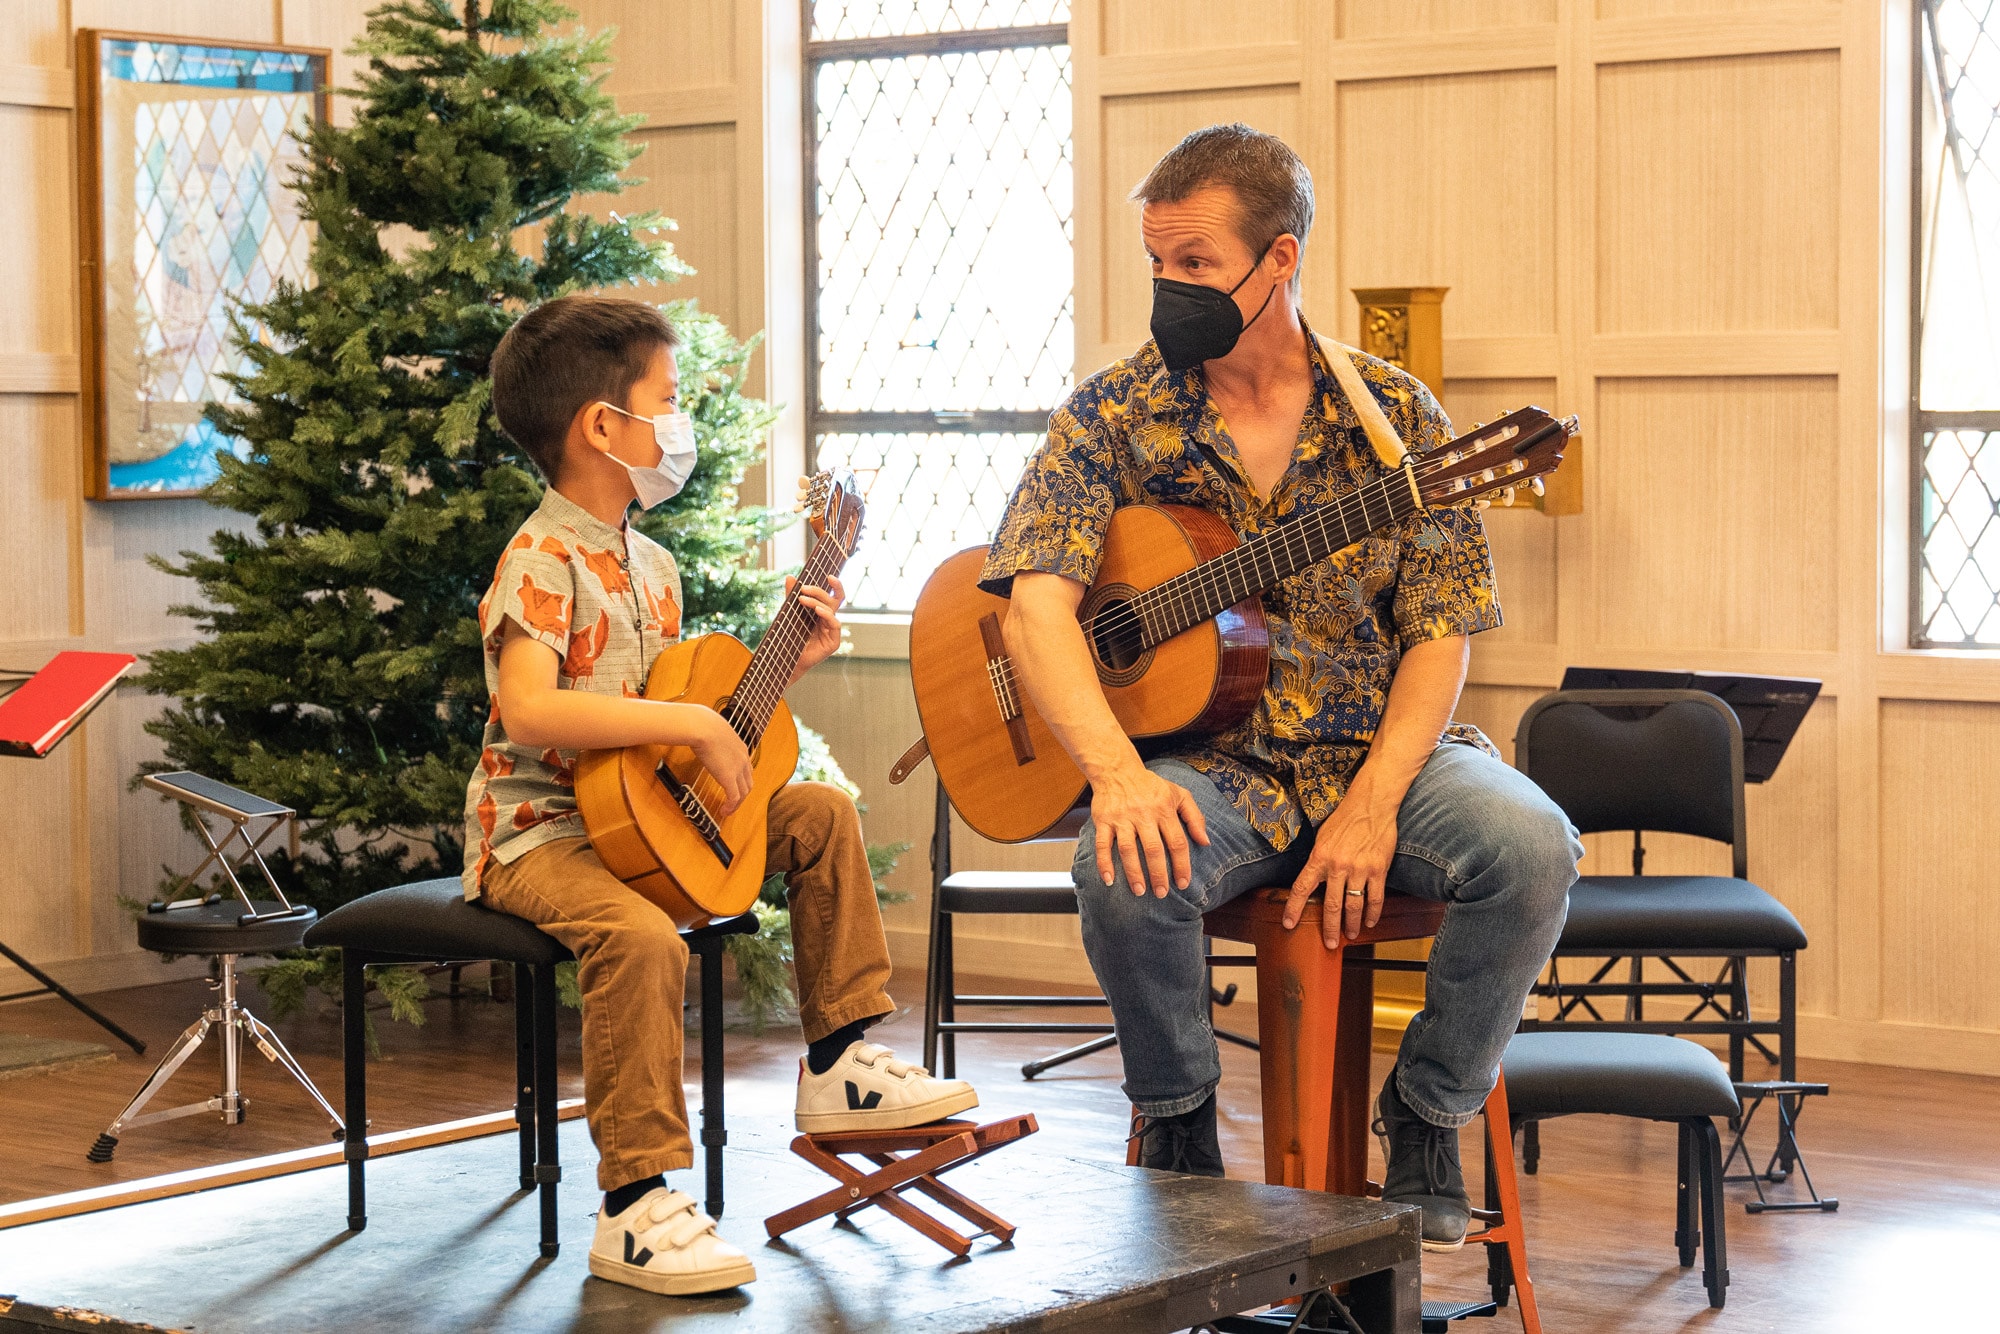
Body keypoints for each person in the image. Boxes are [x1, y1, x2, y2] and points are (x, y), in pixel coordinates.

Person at [980, 125, 1579, 1252]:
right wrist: (1112, 774)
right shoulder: (1114, 413)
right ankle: (1178, 1126)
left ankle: (1424, 1109)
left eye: (1195, 263)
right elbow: (1035, 605)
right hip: (1215, 766)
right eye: (1156, 262)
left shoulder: (1397, 419)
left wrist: (1370, 801)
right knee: (1116, 858)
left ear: (1280, 258)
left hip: (1387, 752)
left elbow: (1437, 634)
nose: (1169, 287)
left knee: (1534, 845)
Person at [463, 294, 978, 1295]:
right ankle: (635, 1204)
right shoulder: (540, 554)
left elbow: (691, 728)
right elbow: (528, 710)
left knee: (817, 811)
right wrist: (690, 725)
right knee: (641, 936)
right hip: (539, 834)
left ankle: (836, 1062)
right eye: (667, 397)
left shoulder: (650, 563)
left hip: (643, 814)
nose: (682, 418)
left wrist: (782, 668)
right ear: (602, 427)